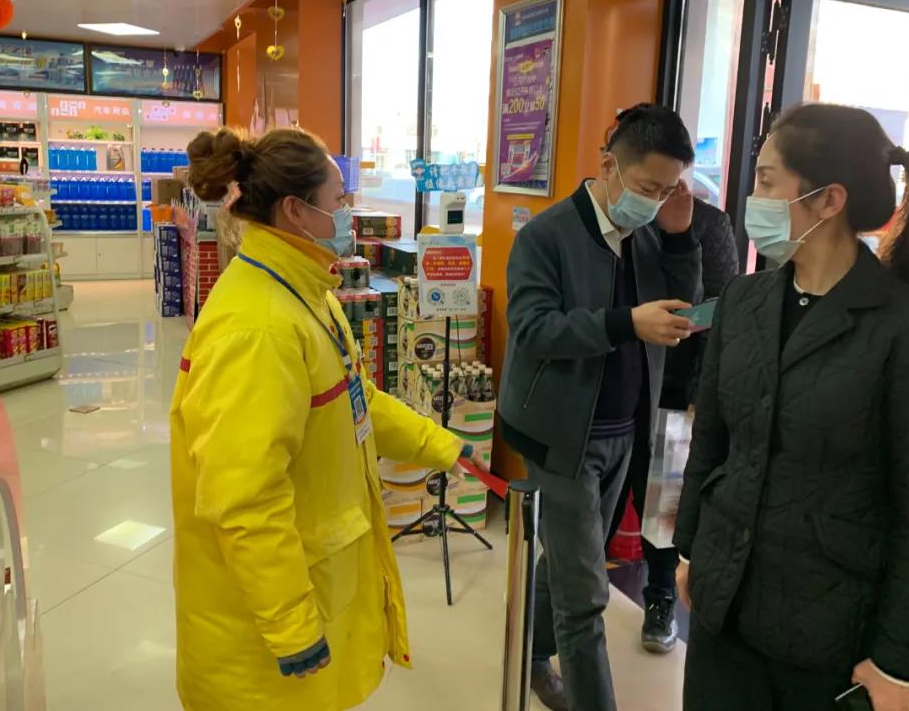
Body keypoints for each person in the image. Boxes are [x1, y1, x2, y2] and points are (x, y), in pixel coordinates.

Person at [169, 127, 484, 711]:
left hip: (316, 584)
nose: (348, 214)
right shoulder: (259, 328)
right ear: (296, 210)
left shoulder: (304, 292)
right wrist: (291, 625)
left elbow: (355, 399)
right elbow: (244, 498)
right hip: (263, 641)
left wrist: (438, 444)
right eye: (339, 200)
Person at [674, 103, 909, 711]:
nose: (752, 198)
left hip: (831, 632)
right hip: (723, 606)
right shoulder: (744, 300)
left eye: (766, 181)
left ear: (828, 201)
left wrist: (903, 663)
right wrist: (689, 549)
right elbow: (712, 440)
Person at [499, 103, 703, 711]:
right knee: (587, 594)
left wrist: (679, 236)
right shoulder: (546, 235)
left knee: (571, 560)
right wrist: (623, 324)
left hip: (626, 427)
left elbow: (681, 306)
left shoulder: (650, 234)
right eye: (647, 187)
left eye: (667, 190)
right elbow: (533, 328)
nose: (654, 201)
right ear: (609, 164)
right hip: (559, 433)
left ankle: (533, 654)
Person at [613, 193, 738, 655]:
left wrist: (701, 394)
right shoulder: (621, 216)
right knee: (606, 495)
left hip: (676, 388)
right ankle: (571, 596)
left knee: (664, 502)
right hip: (620, 382)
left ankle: (660, 596)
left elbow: (721, 314)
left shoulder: (710, 224)